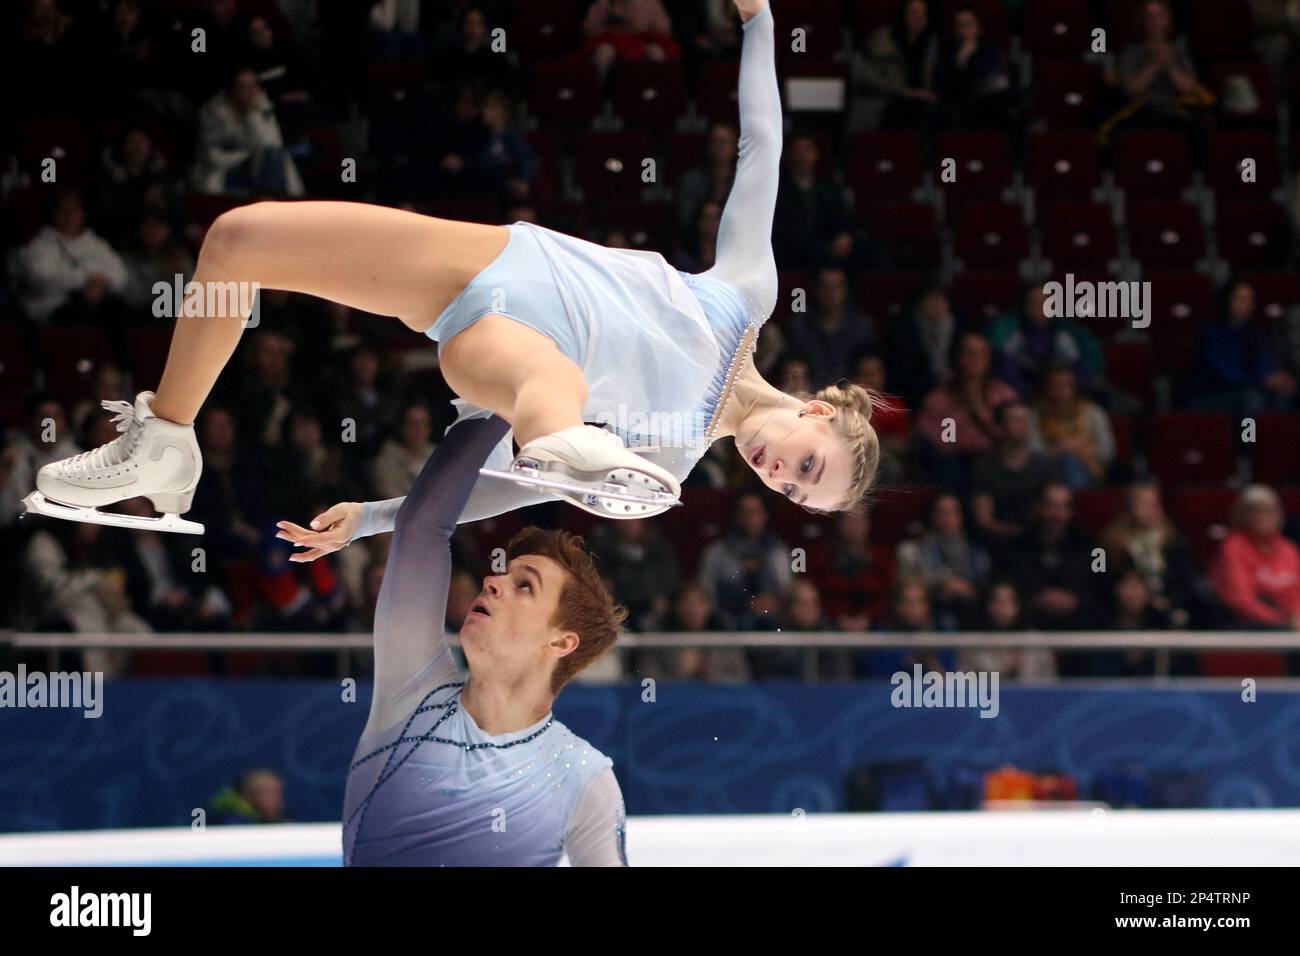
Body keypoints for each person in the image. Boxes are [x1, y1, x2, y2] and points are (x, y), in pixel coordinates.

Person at [33, 1, 878, 540]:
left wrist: (374, 520)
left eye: (796, 496)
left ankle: (560, 439)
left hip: (500, 350)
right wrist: (761, 20)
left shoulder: (673, 457)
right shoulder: (746, 298)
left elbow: (493, 492)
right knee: (235, 241)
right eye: (809, 465)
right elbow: (761, 151)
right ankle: (166, 442)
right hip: (497, 259)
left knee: (541, 390)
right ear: (816, 411)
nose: (782, 480)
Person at [323, 415, 628, 865]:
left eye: (525, 586)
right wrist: (497, 399)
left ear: (562, 642)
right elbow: (423, 524)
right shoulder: (413, 692)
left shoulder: (584, 779)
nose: (491, 581)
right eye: (504, 572)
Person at [1211, 484, 1300, 630]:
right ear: (1242, 514)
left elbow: (1297, 594)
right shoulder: (1233, 547)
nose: (1262, 516)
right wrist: (1281, 622)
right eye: (1255, 510)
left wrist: (1297, 617)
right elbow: (1241, 600)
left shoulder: (1289, 549)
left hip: (1290, 623)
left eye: (1269, 510)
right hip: (1252, 627)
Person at [1029, 363, 1115, 489]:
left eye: (1067, 384)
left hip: (1090, 469)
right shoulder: (1034, 415)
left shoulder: (1093, 412)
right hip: (1047, 472)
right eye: (1056, 385)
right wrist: (1065, 448)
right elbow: (1033, 453)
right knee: (1068, 461)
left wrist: (1078, 448)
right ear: (1046, 387)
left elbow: (1108, 452)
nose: (1062, 390)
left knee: (1072, 463)